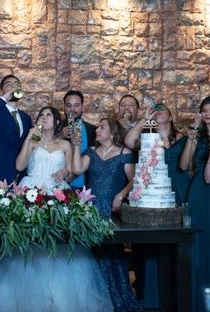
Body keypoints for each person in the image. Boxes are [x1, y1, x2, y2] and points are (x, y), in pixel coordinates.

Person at [0, 106, 112, 312]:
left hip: (56, 192)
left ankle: (59, 298)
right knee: (28, 242)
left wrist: (65, 170)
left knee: (57, 240)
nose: (44, 117)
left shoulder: (64, 144)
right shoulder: (32, 141)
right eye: (41, 114)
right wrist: (28, 139)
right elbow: (19, 166)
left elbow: (72, 173)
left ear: (56, 121)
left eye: (48, 115)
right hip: (30, 191)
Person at [73, 114, 142, 312]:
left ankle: (116, 299)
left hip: (113, 209)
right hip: (92, 209)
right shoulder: (91, 151)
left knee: (113, 253)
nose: (97, 130)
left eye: (101, 127)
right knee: (92, 254)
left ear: (111, 133)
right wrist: (76, 146)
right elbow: (77, 170)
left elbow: (134, 179)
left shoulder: (124, 152)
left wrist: (121, 195)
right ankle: (96, 301)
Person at [125, 103, 188, 309]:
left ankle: (171, 297)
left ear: (171, 117)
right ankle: (148, 296)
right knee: (148, 248)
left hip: (174, 192)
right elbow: (128, 141)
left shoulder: (182, 139)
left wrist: (165, 137)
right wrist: (144, 119)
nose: (158, 111)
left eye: (163, 110)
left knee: (171, 248)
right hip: (150, 196)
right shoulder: (147, 136)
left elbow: (177, 164)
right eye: (155, 109)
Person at [180, 96, 210, 310]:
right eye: (204, 111)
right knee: (197, 243)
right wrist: (191, 137)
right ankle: (195, 299)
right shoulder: (197, 135)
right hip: (197, 190)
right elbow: (183, 165)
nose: (207, 114)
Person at [59, 90, 97, 188]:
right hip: (60, 187)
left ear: (82, 107)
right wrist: (59, 136)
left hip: (87, 188)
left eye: (76, 105)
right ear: (64, 107)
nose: (72, 109)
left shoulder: (94, 130)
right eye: (68, 105)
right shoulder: (56, 128)